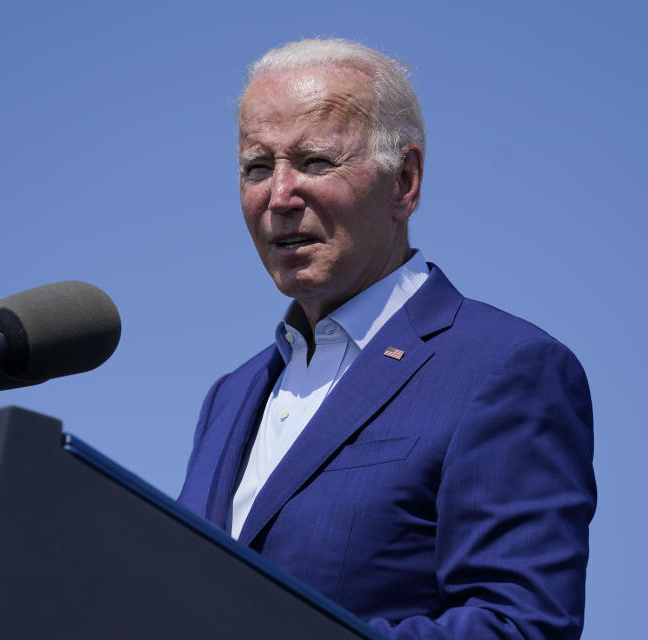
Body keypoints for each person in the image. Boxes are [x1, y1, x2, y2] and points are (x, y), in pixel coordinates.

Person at [177, 38, 596, 640]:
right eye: (257, 167)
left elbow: (519, 627)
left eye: (315, 161)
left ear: (404, 181)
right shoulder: (230, 397)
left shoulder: (505, 368)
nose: (279, 196)